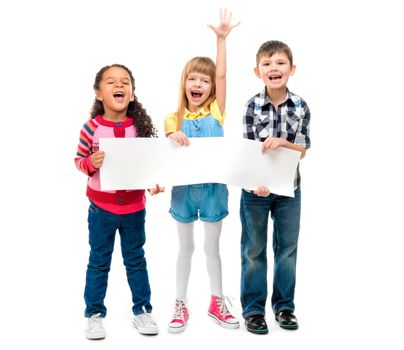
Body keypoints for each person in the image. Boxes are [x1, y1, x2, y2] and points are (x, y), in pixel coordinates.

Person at [74, 64, 163, 339]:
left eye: (125, 82)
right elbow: (78, 161)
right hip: (100, 209)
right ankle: (94, 314)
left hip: (134, 209)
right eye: (111, 83)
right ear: (99, 94)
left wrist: (154, 184)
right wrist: (91, 162)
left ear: (132, 94)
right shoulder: (91, 129)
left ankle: (142, 310)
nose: (119, 86)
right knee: (99, 261)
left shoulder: (141, 129)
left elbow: (150, 167)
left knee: (136, 260)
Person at [164, 9, 239, 333]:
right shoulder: (173, 117)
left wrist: (220, 40)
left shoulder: (217, 112)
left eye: (204, 80)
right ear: (184, 83)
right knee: (186, 247)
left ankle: (216, 300)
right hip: (183, 189)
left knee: (212, 247)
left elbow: (222, 76)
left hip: (212, 190)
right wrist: (172, 136)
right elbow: (164, 150)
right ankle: (180, 302)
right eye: (193, 78)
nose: (199, 83)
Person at [240, 40, 311, 334]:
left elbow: (303, 149)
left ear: (291, 70)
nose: (274, 69)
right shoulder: (252, 106)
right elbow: (247, 150)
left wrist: (284, 144)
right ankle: (254, 310)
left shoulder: (300, 106)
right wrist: (258, 182)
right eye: (267, 64)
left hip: (288, 189)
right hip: (254, 190)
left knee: (287, 249)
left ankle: (284, 307)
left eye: (280, 63)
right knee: (253, 249)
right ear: (258, 71)